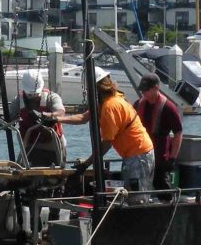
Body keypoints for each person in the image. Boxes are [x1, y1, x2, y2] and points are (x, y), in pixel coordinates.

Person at [53, 67, 155, 204]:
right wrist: (57, 119)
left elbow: (107, 143)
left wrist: (87, 163)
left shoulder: (110, 107)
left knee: (137, 199)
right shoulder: (111, 99)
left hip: (138, 155)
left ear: (96, 88)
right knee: (134, 196)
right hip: (137, 153)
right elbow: (84, 117)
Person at [0, 70, 67, 167]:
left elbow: (61, 112)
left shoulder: (52, 97)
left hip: (53, 145)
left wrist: (45, 115)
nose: (33, 97)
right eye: (30, 94)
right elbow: (9, 121)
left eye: (36, 94)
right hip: (30, 145)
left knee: (55, 174)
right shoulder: (18, 100)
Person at [133, 73, 183, 201]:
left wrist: (172, 158)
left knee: (162, 186)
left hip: (160, 157)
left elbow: (178, 132)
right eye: (142, 90)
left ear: (156, 88)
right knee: (138, 187)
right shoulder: (138, 104)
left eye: (146, 90)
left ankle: (168, 209)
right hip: (141, 155)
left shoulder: (168, 107)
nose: (144, 93)